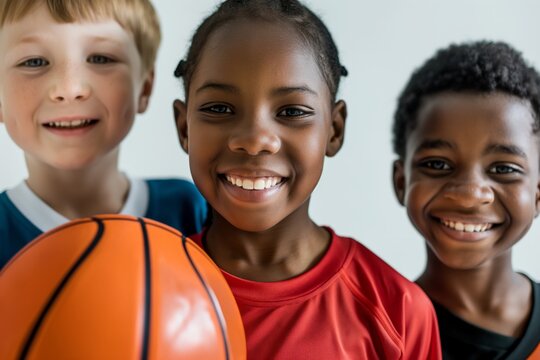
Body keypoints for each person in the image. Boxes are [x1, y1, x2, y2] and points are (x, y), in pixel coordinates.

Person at [173, 0, 441, 358]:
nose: (254, 140)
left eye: (291, 112)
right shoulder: (145, 291)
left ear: (334, 129)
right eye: (219, 109)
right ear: (183, 126)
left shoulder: (397, 312)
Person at [0, 0, 207, 269]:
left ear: (144, 88)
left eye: (101, 58)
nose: (70, 87)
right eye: (34, 61)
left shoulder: (189, 211)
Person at [392, 41, 540, 359]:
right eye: (437, 164)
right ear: (401, 181)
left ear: (538, 192)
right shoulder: (379, 335)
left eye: (504, 169)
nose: (470, 195)